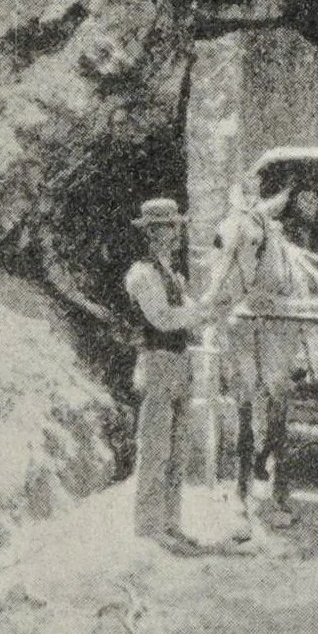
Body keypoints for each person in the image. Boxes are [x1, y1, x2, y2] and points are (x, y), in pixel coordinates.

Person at [123, 197, 209, 551]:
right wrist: (198, 313)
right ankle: (148, 527)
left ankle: (171, 523)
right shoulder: (142, 274)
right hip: (157, 361)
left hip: (178, 361)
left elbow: (187, 310)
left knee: (177, 450)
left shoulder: (170, 272)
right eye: (166, 228)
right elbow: (162, 318)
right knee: (155, 447)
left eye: (174, 228)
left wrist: (201, 310)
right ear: (151, 233)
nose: (173, 234)